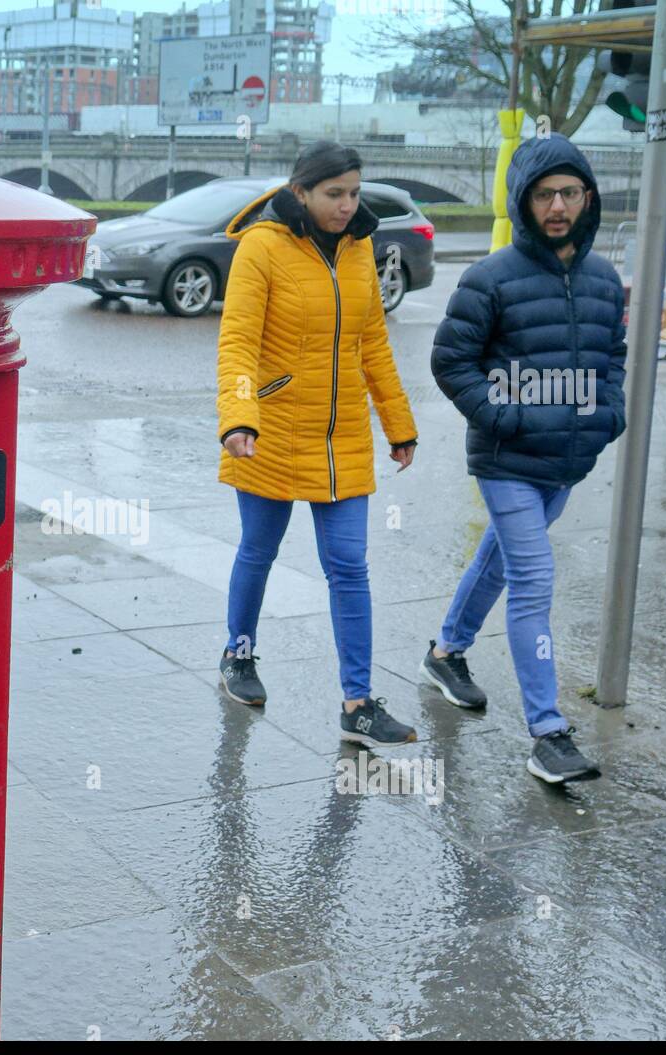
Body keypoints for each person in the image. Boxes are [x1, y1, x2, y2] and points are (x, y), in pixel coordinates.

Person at [422, 134, 628, 783]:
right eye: (545, 194)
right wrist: (505, 417)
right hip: (507, 459)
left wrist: (610, 414)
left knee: (498, 560)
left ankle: (446, 650)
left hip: (566, 462)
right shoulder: (490, 278)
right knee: (534, 579)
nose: (558, 205)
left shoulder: (603, 278)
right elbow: (450, 360)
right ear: (524, 201)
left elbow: (613, 358)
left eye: (569, 192)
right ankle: (547, 730)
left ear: (587, 197)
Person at [216, 141, 420, 748]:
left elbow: (373, 344)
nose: (346, 205)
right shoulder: (262, 246)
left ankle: (358, 702)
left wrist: (398, 423)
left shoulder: (360, 249)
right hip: (271, 430)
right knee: (259, 551)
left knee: (349, 567)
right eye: (335, 194)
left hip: (343, 437)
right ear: (300, 191)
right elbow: (238, 344)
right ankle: (239, 655)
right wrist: (238, 419)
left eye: (355, 193)